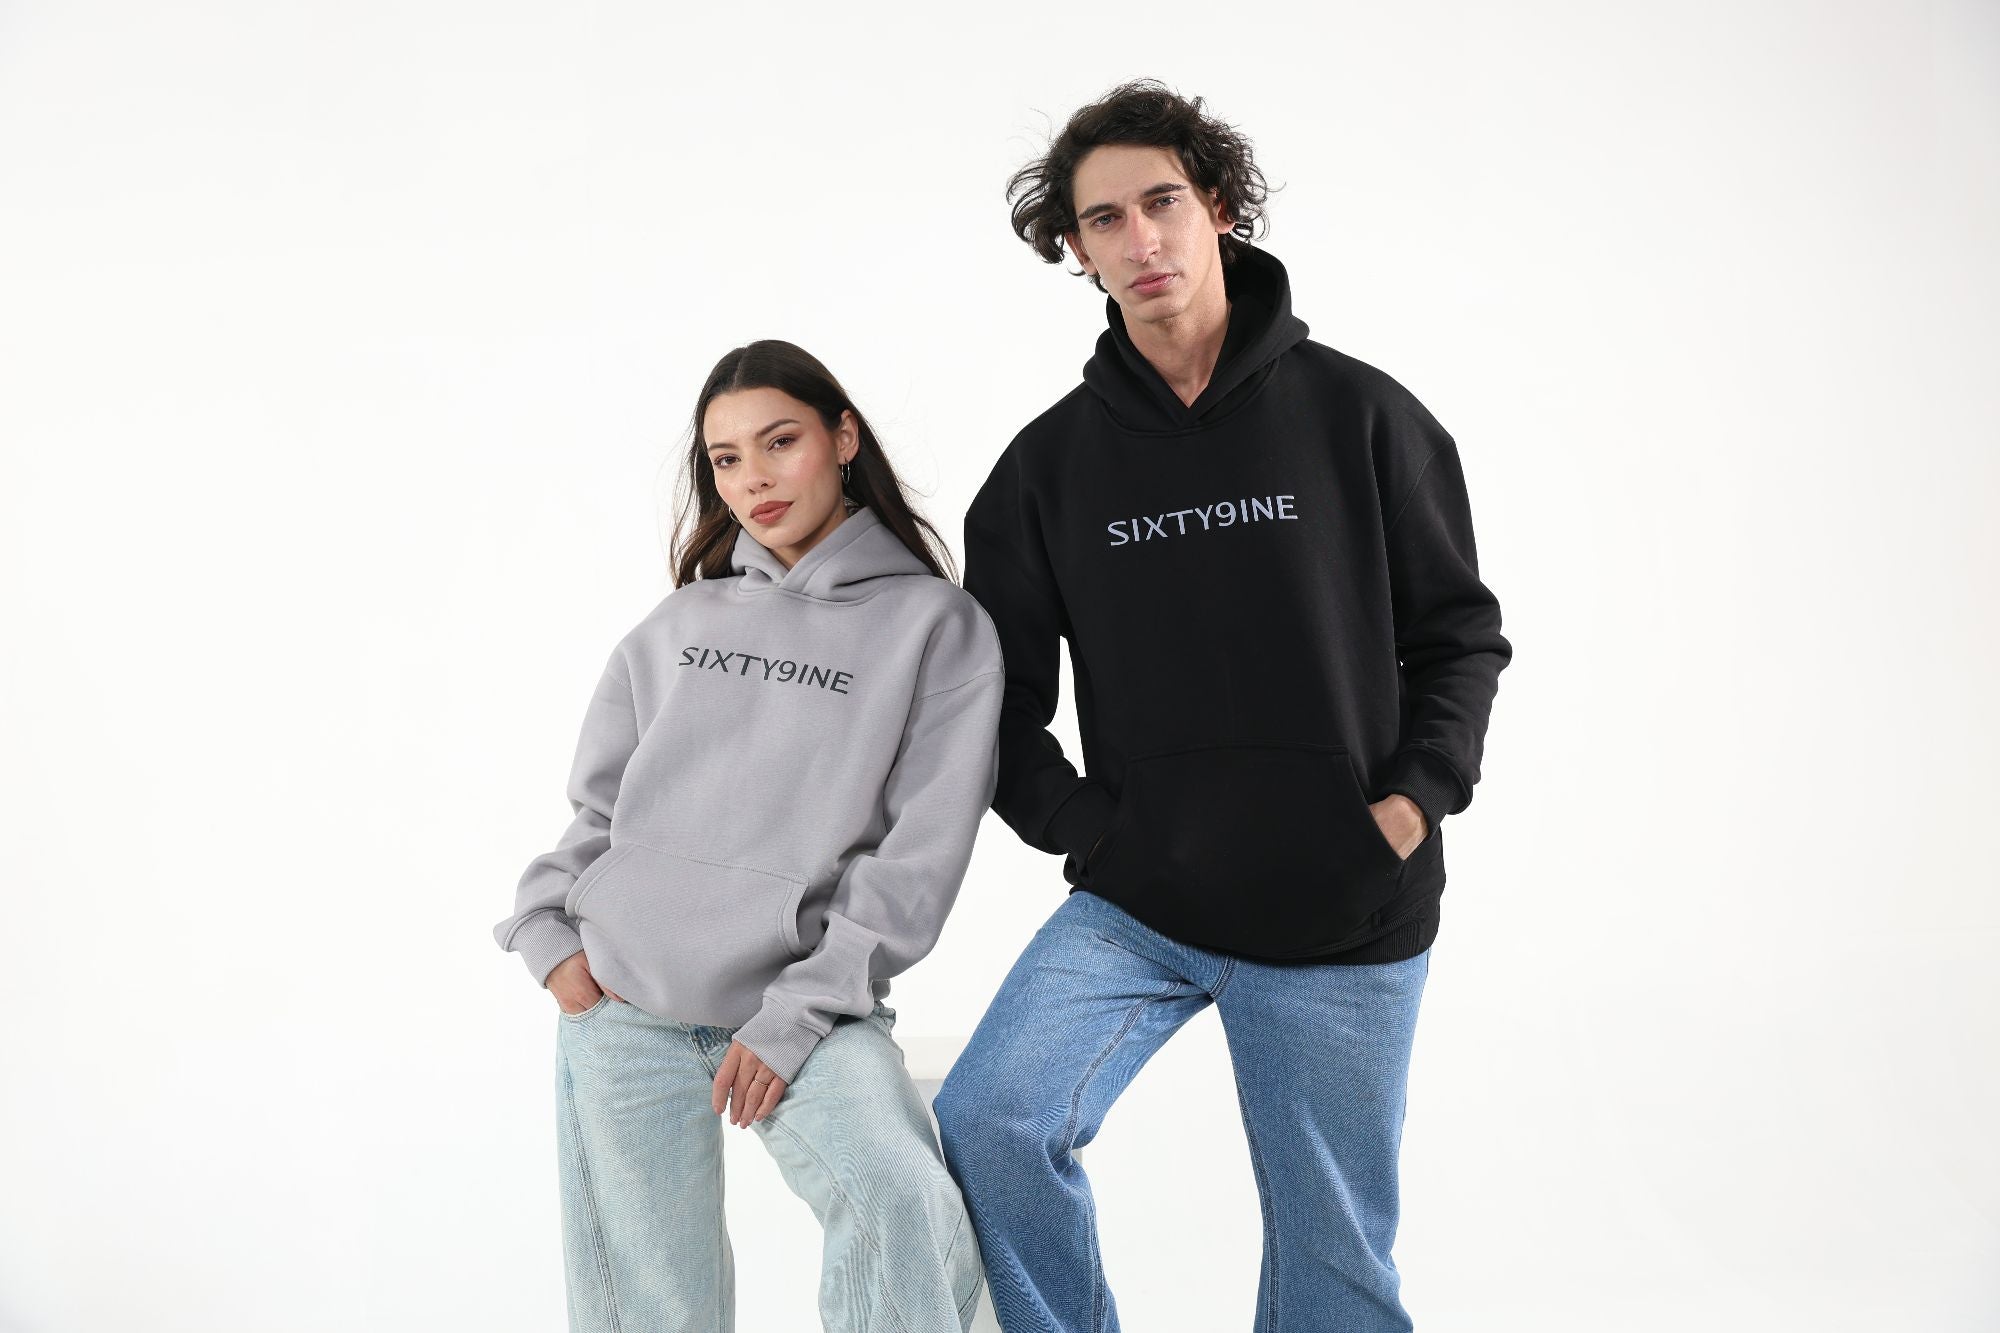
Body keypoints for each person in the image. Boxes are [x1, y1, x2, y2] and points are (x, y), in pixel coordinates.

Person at [932, 80, 1513, 1332]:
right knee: (990, 1117)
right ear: (1075, 249)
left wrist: (1403, 811)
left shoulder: (1360, 415)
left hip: (1344, 901)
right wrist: (1091, 832)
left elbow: (1458, 638)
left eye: (1161, 203)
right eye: (1104, 219)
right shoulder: (1045, 468)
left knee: (1331, 1264)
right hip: (1143, 901)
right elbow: (991, 706)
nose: (1139, 239)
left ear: (1218, 210)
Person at [492, 339, 1000, 1332]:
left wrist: (800, 1010)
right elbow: (600, 808)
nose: (754, 479)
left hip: (802, 1002)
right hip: (623, 1003)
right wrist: (548, 933)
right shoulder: (680, 621)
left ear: (842, 439)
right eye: (726, 458)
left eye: (779, 442)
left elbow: (918, 854)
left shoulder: (935, 627)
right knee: (649, 1308)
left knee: (900, 1201)